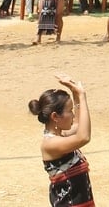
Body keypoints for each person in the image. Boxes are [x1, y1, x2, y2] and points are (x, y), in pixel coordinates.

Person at [30, 75, 93, 207]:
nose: (73, 114)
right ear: (55, 116)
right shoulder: (50, 144)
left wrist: (74, 93)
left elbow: (78, 124)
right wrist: (82, 96)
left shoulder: (61, 136)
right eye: (70, 111)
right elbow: (83, 137)